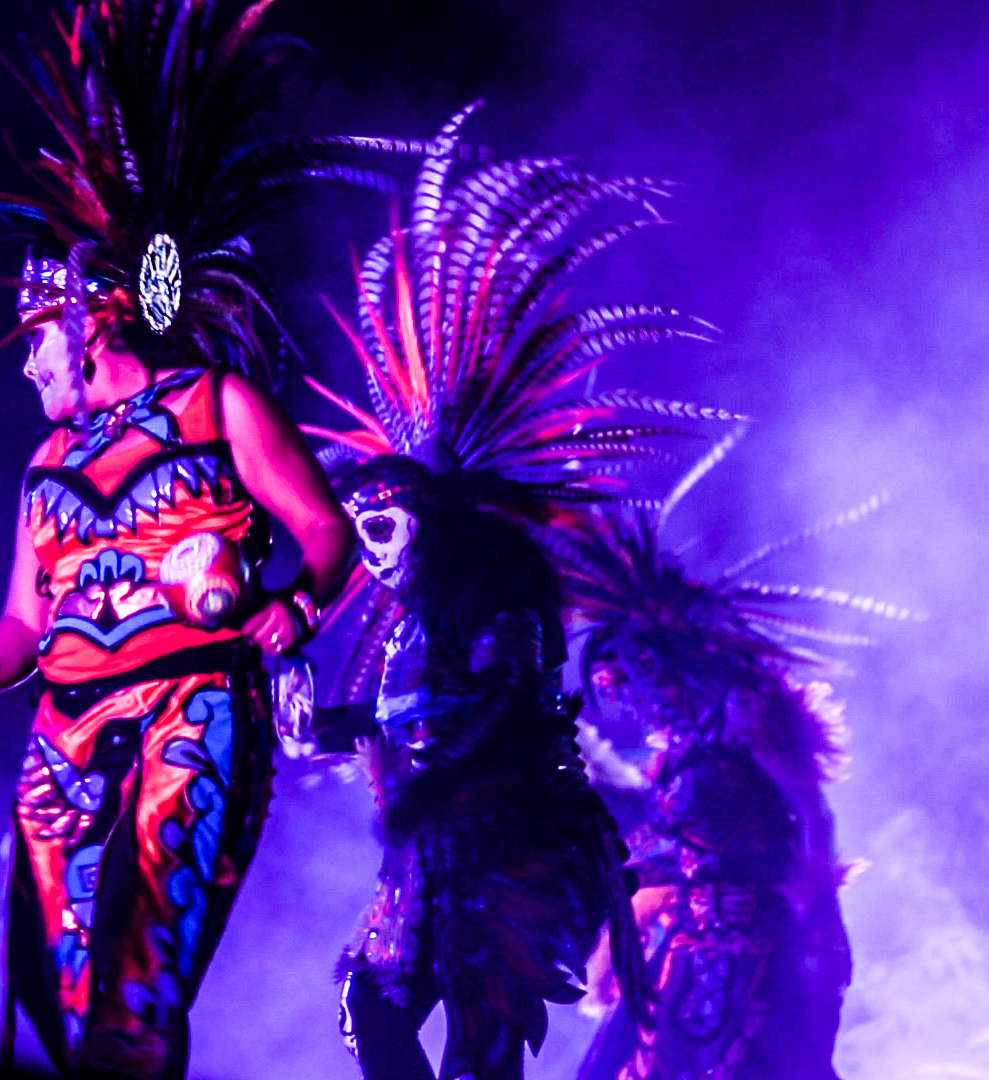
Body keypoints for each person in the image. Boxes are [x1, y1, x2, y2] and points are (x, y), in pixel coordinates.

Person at [0, 3, 381, 1075]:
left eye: (37, 343)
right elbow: (27, 619)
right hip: (64, 729)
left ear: (90, 325)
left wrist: (297, 604)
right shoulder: (43, 469)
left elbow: (324, 530)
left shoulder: (217, 407)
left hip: (197, 706)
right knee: (56, 999)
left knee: (135, 982)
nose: (28, 368)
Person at [291, 105, 725, 1080]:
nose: (370, 545)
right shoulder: (412, 624)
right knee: (367, 1004)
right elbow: (416, 723)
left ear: (434, 516)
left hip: (503, 851)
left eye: (386, 521)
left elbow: (501, 705)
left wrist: (430, 782)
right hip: (426, 857)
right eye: (358, 527)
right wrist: (329, 728)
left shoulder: (504, 583)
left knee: (483, 1055)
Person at [556, 441, 914, 1080]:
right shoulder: (675, 754)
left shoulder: (742, 716)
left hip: (759, 942)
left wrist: (813, 916)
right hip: (684, 948)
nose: (628, 700)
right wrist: (622, 947)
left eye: (631, 679)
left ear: (662, 661)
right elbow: (664, 862)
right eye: (612, 688)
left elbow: (810, 815)